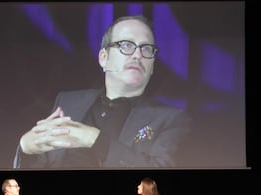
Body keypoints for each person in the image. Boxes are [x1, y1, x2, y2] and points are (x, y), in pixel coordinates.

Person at [13, 14, 191, 169]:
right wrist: (25, 149)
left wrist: (96, 141)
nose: (137, 55)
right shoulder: (67, 102)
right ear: (103, 58)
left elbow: (159, 175)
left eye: (146, 49)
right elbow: (41, 166)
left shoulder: (172, 119)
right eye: (126, 45)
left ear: (152, 67)